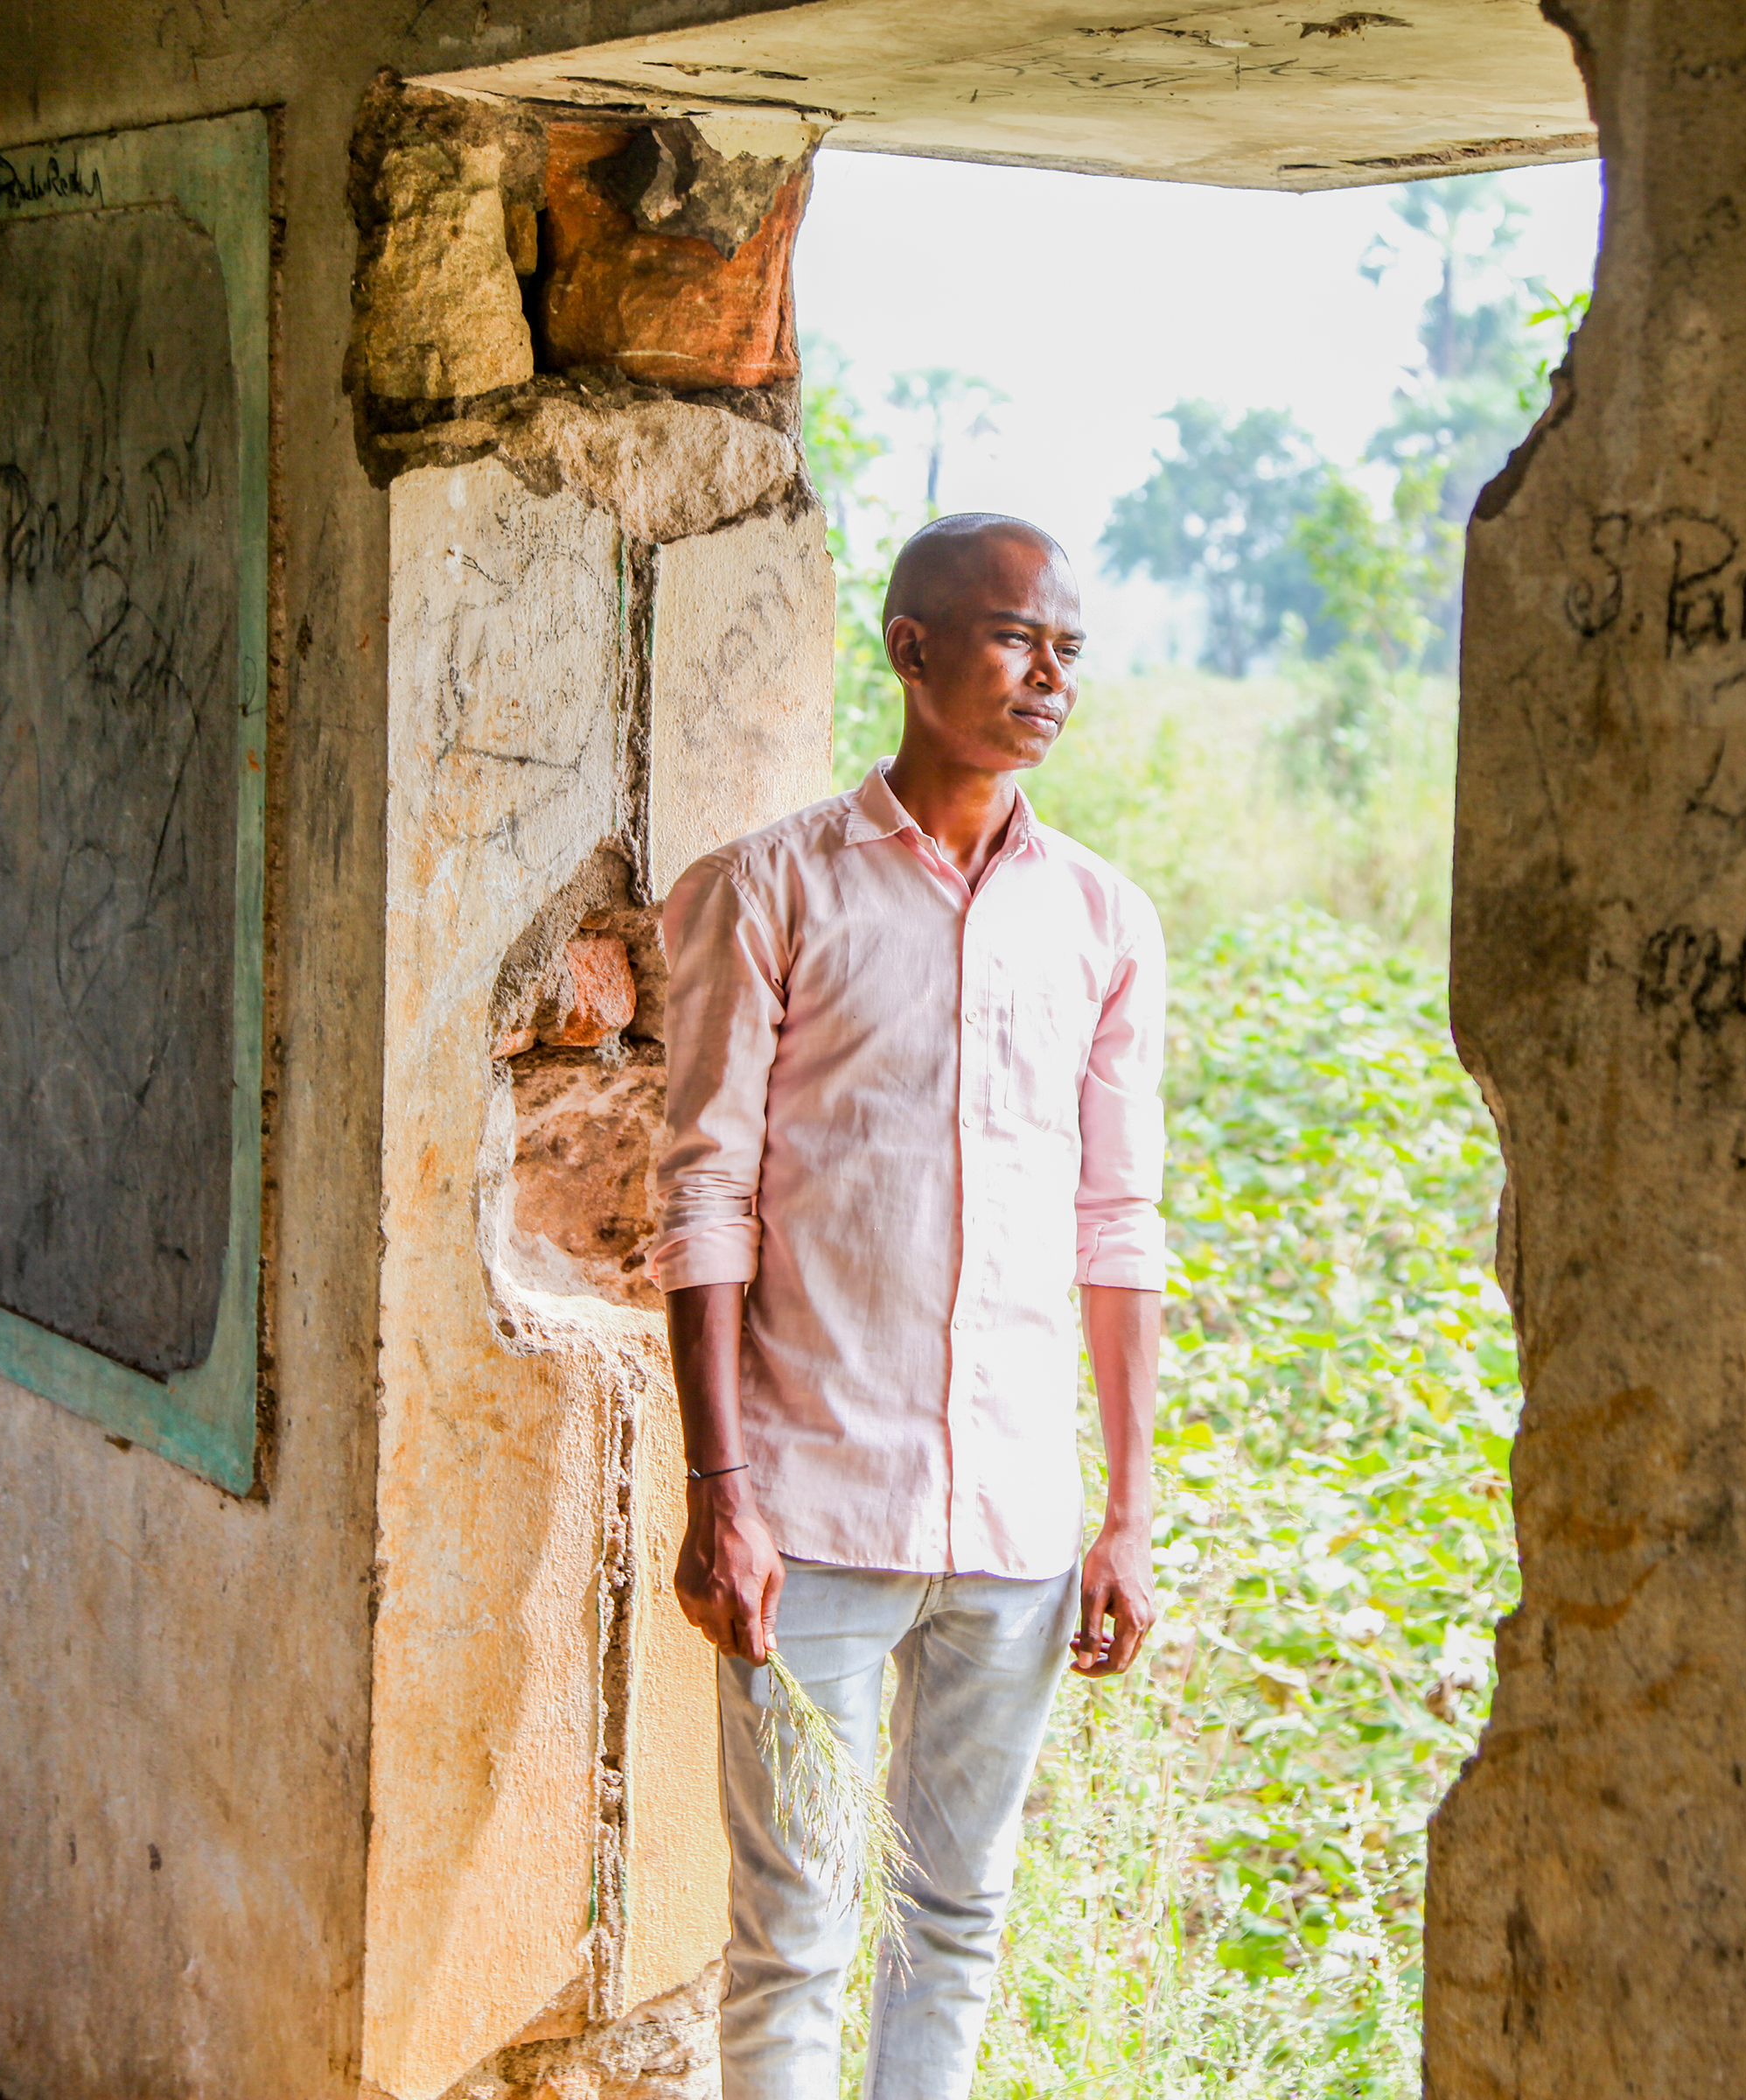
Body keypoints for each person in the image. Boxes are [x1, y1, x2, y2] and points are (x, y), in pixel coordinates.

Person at [645, 512, 1166, 2100]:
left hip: (1013, 1524)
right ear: (914, 647)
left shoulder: (1100, 920)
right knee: (794, 1935)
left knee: (958, 1920)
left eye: (1069, 647)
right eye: (1015, 636)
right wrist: (720, 1490)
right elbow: (702, 1199)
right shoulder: (767, 891)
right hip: (812, 1512)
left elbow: (1119, 1227)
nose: (1048, 674)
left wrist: (1128, 1514)